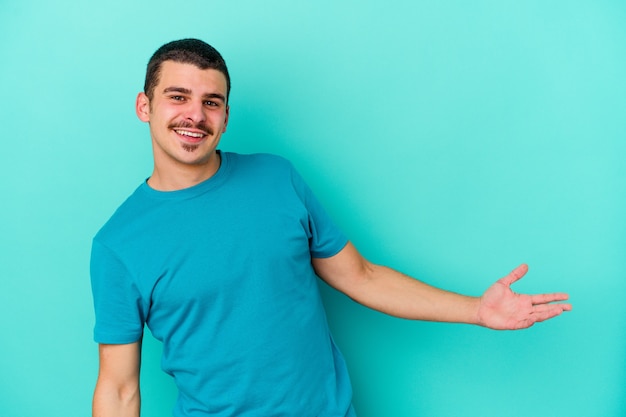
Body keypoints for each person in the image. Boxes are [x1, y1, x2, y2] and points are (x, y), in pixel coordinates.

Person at [90, 38, 571, 417]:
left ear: (226, 115)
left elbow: (361, 276)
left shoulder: (276, 178)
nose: (195, 114)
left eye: (211, 102)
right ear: (144, 106)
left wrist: (478, 311)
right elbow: (118, 388)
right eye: (178, 97)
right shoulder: (117, 245)